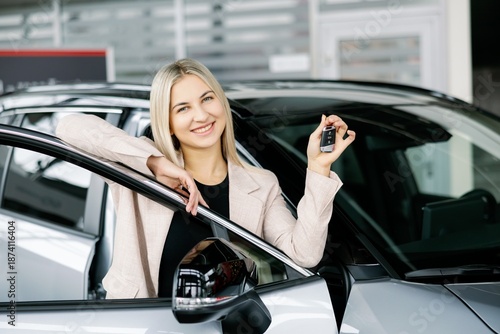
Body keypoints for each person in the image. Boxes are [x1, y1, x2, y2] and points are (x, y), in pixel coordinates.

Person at [56, 58, 356, 299]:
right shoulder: (139, 166)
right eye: (183, 108)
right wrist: (155, 162)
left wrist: (318, 167)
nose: (201, 116)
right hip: (143, 323)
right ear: (168, 123)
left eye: (207, 99)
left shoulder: (260, 183)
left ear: (221, 104)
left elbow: (304, 254)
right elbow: (69, 126)